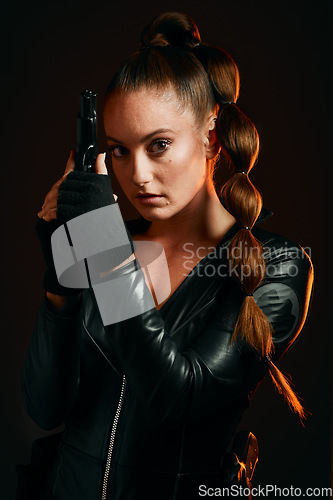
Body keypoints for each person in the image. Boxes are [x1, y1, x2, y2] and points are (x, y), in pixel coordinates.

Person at [22, 11, 314, 500]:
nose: (136, 175)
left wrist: (110, 257)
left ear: (211, 138)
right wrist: (60, 291)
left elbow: (177, 398)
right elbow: (45, 408)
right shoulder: (106, 240)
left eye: (158, 145)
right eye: (118, 150)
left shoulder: (275, 266)